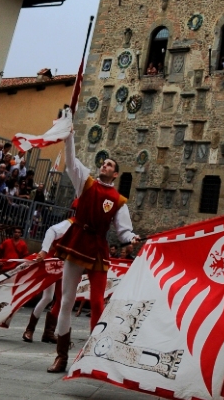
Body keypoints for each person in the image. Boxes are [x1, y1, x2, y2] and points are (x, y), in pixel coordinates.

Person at [47, 130, 138, 373]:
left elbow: (123, 231)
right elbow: (71, 158)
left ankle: (93, 353)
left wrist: (132, 237)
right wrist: (69, 136)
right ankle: (61, 356)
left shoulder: (118, 200)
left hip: (98, 247)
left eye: (109, 164)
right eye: (104, 162)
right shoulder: (85, 182)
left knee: (97, 301)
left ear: (115, 173)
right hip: (77, 242)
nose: (104, 165)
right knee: (66, 300)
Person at [21, 215, 74, 343]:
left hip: (67, 266)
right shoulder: (71, 223)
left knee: (62, 300)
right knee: (48, 297)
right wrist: (44, 250)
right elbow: (51, 231)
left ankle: (48, 333)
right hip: (53, 263)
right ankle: (29, 329)